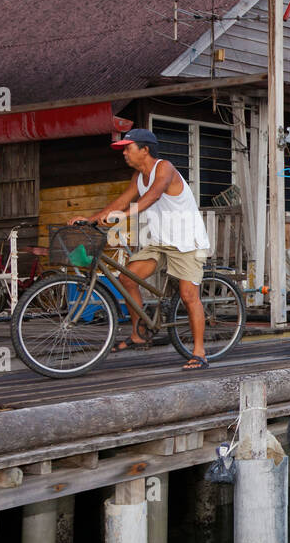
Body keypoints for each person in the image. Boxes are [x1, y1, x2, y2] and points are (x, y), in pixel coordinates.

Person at [72, 128, 213, 370]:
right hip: (158, 241)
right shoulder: (138, 176)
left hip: (186, 242)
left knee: (189, 296)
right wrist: (92, 219)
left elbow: (153, 196)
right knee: (128, 278)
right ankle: (139, 334)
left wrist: (122, 216)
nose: (125, 153)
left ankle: (199, 353)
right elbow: (122, 200)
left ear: (144, 149)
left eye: (128, 148)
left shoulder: (164, 167)